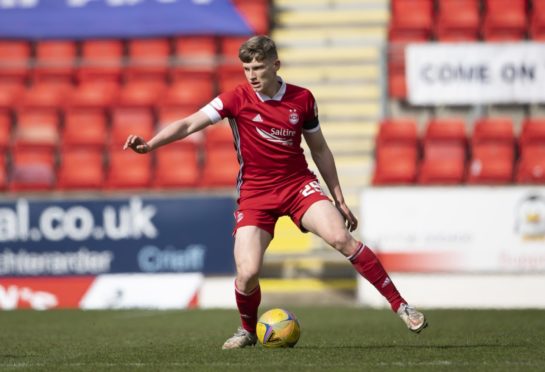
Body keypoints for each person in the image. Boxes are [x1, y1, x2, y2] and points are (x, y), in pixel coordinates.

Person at [124, 35, 427, 349]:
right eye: (246, 68)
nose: (252, 75)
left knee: (341, 238)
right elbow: (188, 125)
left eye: (258, 67)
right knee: (247, 272)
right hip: (255, 193)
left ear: (275, 65)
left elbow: (320, 150)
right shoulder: (235, 99)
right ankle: (247, 331)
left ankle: (401, 305)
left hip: (298, 186)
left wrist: (339, 199)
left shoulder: (302, 99)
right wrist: (149, 145)